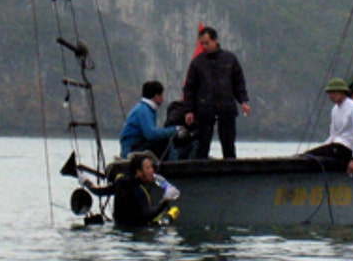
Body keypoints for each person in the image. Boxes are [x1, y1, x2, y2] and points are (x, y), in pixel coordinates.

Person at [183, 26, 250, 159]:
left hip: (226, 107)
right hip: (204, 109)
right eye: (202, 44)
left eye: (207, 43)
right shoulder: (197, 63)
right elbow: (189, 88)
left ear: (215, 41)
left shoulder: (230, 59)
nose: (204, 46)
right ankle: (200, 173)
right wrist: (189, 110)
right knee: (203, 145)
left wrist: (243, 101)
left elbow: (238, 83)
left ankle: (231, 173)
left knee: (228, 144)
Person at [84, 151, 177, 228]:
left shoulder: (122, 182)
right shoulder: (137, 190)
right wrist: (165, 201)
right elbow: (147, 216)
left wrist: (85, 181)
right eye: (148, 168)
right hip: (135, 231)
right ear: (138, 172)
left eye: (152, 167)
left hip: (120, 229)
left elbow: (99, 191)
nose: (152, 170)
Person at [303, 77, 353, 176]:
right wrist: (323, 147)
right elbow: (333, 135)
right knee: (307, 155)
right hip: (337, 146)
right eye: (329, 93)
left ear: (342, 92)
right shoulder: (335, 110)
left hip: (348, 148)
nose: (330, 96)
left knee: (315, 154)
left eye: (333, 92)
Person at [119, 80, 184, 159]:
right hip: (133, 148)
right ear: (156, 96)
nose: (163, 98)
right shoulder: (143, 110)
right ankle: (174, 168)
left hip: (135, 145)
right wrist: (174, 130)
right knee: (165, 142)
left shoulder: (142, 108)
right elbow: (150, 134)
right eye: (161, 95)